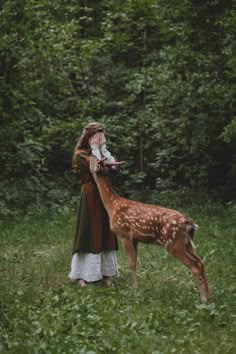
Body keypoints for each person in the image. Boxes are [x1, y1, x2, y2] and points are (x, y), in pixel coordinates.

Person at [68, 122, 119, 287]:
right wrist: (97, 150)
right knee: (89, 230)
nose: (101, 138)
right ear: (90, 137)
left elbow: (114, 167)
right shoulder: (80, 155)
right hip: (91, 195)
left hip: (105, 194)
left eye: (102, 135)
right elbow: (99, 168)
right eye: (98, 135)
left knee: (105, 229)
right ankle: (83, 274)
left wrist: (103, 149)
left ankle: (105, 272)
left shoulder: (96, 152)